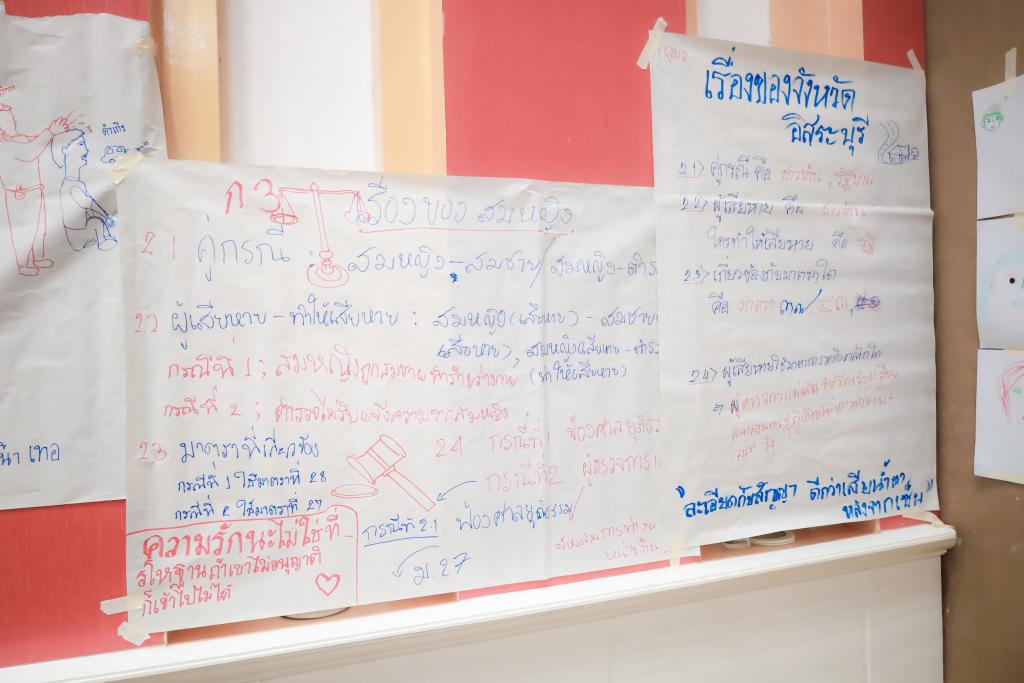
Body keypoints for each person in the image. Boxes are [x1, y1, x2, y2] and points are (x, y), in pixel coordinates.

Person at [0, 104, 71, 275]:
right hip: (19, 195)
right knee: (25, 231)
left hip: (33, 191)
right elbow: (29, 151)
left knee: (39, 229)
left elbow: (34, 142)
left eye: (11, 116)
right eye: (8, 117)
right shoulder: (4, 144)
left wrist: (52, 133)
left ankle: (35, 258)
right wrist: (50, 131)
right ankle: (23, 264)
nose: (13, 120)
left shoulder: (19, 138)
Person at [51, 128, 115, 251]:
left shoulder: (75, 183)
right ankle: (103, 241)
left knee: (96, 221)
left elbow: (88, 208)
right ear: (65, 150)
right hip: (77, 235)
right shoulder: (71, 185)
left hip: (80, 233)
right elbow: (89, 204)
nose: (86, 149)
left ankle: (103, 237)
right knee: (96, 222)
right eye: (80, 144)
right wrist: (106, 218)